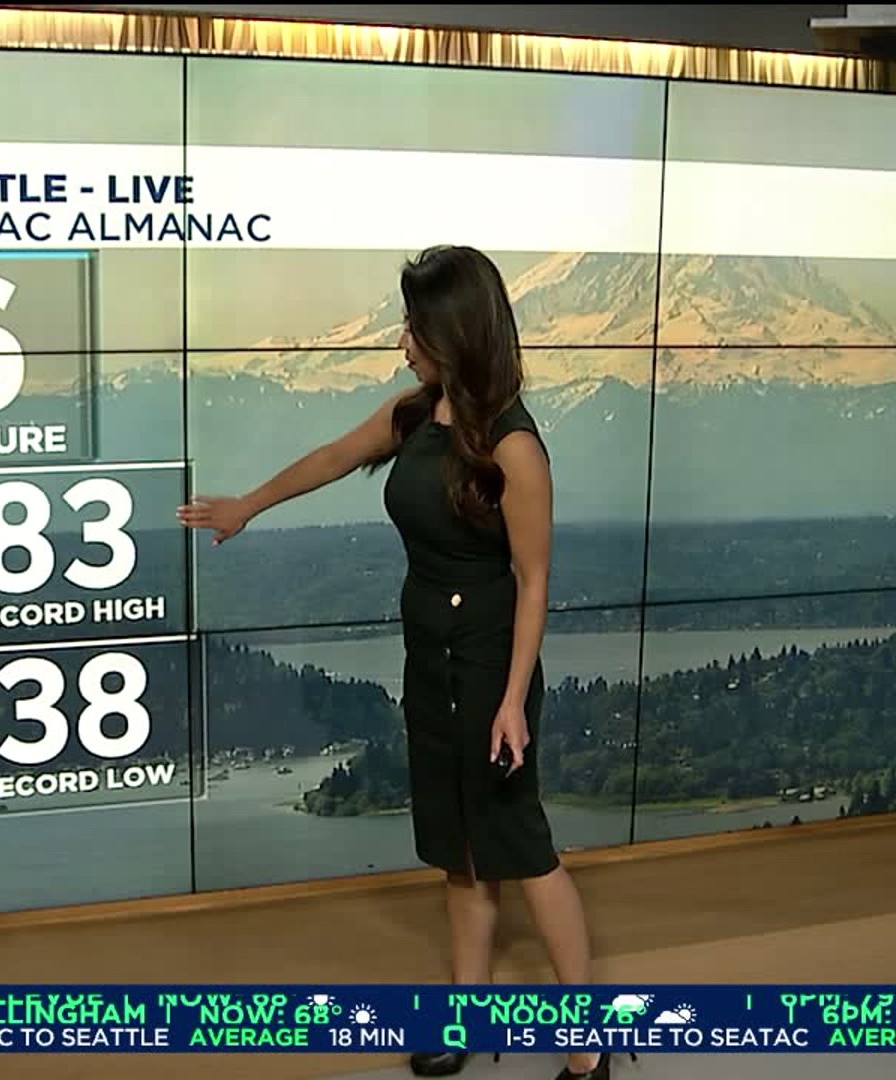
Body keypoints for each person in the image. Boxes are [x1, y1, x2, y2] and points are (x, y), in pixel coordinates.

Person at [178, 245, 612, 1080]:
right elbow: (334, 456)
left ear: (454, 331)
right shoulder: (414, 416)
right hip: (429, 661)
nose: (402, 340)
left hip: (489, 668)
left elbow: (533, 582)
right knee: (459, 851)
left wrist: (512, 702)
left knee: (521, 847)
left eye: (414, 326)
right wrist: (247, 506)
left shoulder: (516, 448)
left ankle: (586, 1047)